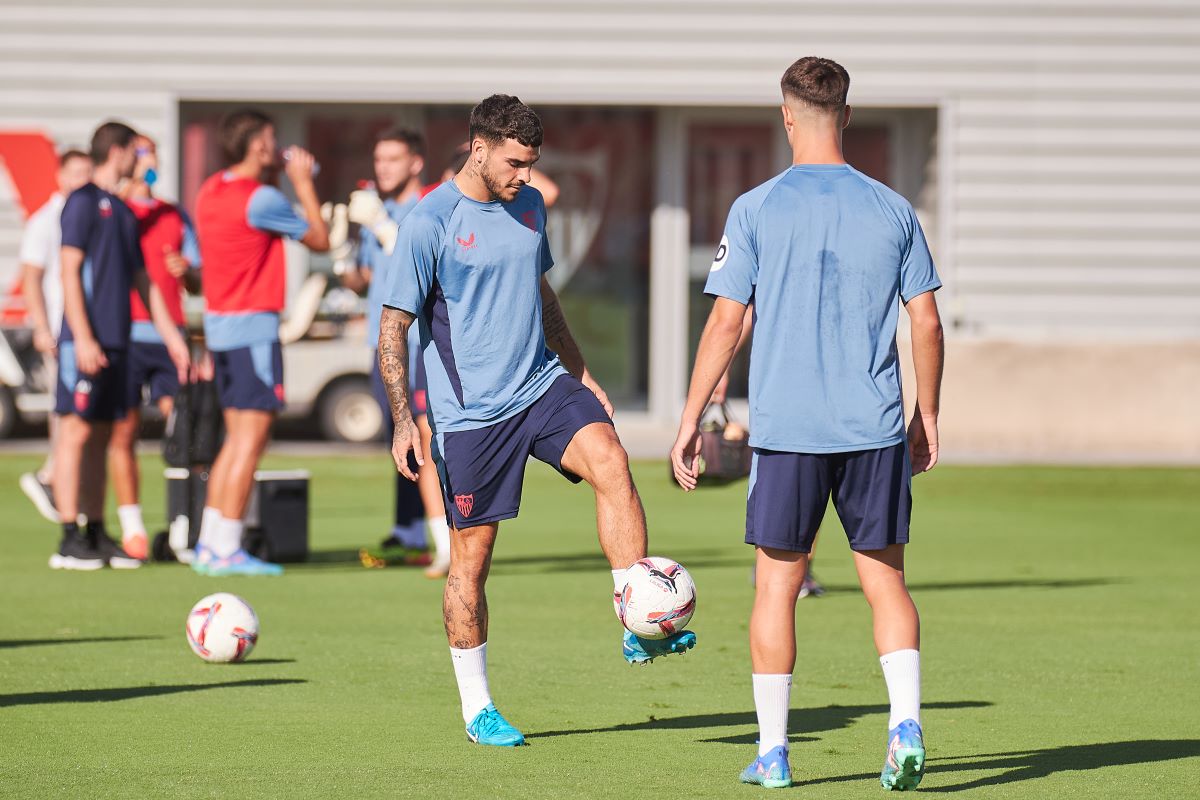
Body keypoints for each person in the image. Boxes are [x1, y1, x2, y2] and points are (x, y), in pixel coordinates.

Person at [378, 94, 695, 747]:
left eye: (531, 162)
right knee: (473, 559)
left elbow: (540, 291)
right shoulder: (429, 221)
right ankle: (478, 711)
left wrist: (578, 370)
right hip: (472, 416)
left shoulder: (529, 204)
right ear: (479, 147)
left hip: (542, 383)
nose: (525, 175)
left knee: (611, 458)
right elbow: (394, 327)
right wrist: (403, 421)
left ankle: (636, 621)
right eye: (516, 162)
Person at [669, 57, 944, 791]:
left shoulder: (755, 208)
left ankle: (774, 753)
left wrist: (690, 419)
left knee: (775, 589)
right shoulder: (893, 209)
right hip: (875, 427)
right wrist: (929, 413)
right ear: (846, 116)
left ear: (786, 114)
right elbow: (927, 319)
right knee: (887, 584)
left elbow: (726, 322)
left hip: (788, 434)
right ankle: (905, 724)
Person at [192, 108, 329, 576]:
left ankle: (210, 542)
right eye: (271, 138)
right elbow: (321, 239)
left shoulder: (210, 190)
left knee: (234, 440)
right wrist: (303, 181)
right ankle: (226, 546)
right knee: (251, 440)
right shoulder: (262, 198)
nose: (277, 146)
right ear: (257, 146)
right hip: (252, 331)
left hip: (221, 331)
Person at [51, 120, 191, 570]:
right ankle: (68, 536)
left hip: (118, 341)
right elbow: (69, 270)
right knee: (76, 432)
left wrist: (172, 338)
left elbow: (144, 281)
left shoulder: (122, 210)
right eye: (136, 150)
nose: (141, 159)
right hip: (85, 341)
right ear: (120, 150)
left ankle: (95, 530)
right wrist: (84, 335)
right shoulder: (83, 202)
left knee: (103, 433)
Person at [342, 127, 451, 576]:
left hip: (418, 346)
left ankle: (445, 541)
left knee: (427, 441)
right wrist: (340, 252)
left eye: (392, 159)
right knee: (402, 441)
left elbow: (422, 267)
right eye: (378, 159)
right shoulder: (377, 211)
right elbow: (364, 278)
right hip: (380, 344)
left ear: (415, 163)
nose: (382, 167)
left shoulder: (426, 208)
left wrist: (385, 227)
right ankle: (410, 531)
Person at [106, 135, 202, 560]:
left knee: (181, 429)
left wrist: (189, 271)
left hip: (169, 335)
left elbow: (198, 281)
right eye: (142, 152)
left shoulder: (174, 213)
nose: (150, 161)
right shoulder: (114, 211)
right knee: (123, 431)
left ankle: (182, 525)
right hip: (124, 335)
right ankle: (132, 528)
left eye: (153, 153)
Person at [18, 149, 93, 523]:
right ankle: (51, 477)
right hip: (64, 329)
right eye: (75, 173)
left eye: (87, 173)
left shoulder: (90, 214)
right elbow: (32, 277)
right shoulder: (46, 221)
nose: (82, 180)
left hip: (87, 330)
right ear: (60, 177)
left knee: (81, 411)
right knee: (66, 409)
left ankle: (59, 479)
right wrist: (42, 326)